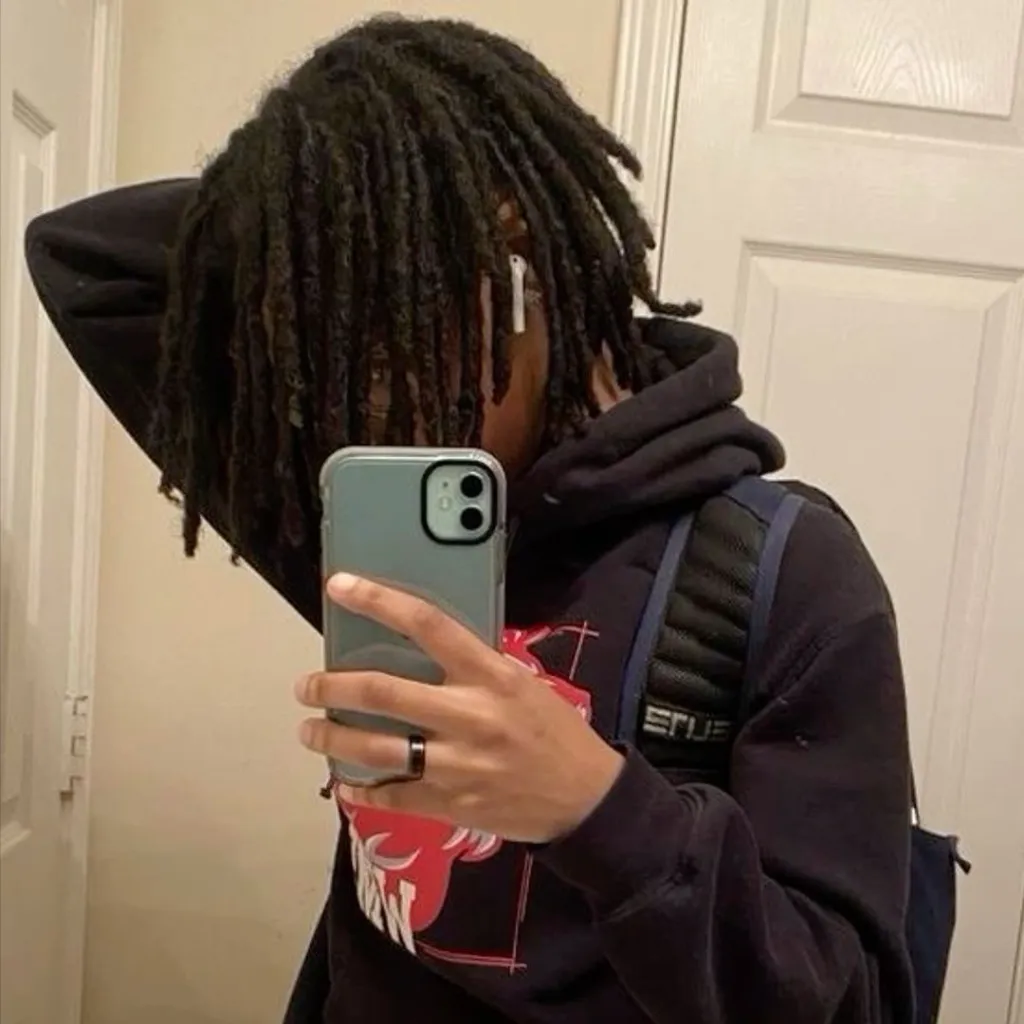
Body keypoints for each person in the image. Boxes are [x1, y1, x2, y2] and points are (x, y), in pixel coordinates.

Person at [25, 16, 914, 1024]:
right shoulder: (369, 524)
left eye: (395, 347)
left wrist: (598, 811)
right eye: (334, 361)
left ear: (530, 283)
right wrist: (321, 204)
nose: (368, 411)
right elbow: (85, 263)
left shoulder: (783, 573)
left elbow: (853, 1001)